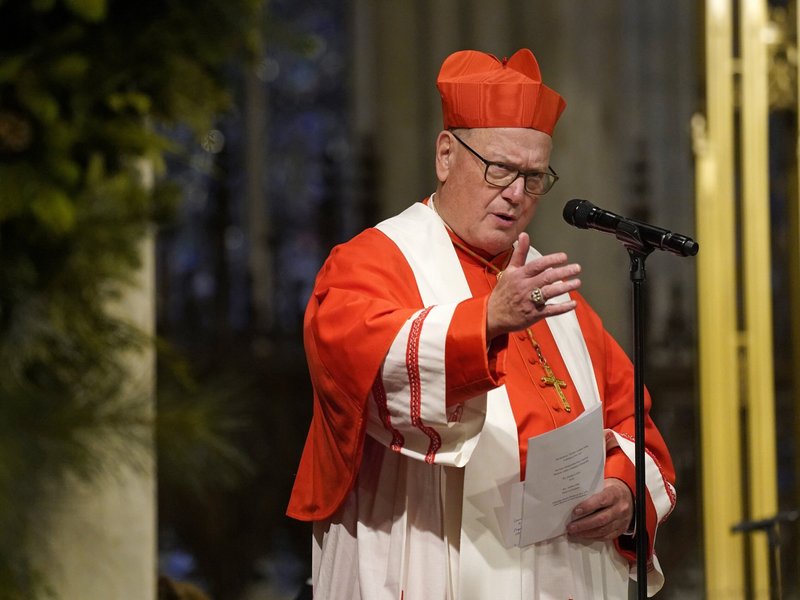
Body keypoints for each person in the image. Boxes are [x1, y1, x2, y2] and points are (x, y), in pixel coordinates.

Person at [287, 48, 676, 599]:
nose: (516, 194)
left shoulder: (554, 293)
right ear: (446, 155)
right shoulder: (373, 261)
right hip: (426, 557)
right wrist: (486, 320)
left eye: (533, 177)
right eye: (499, 169)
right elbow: (360, 375)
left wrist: (625, 489)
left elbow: (634, 423)